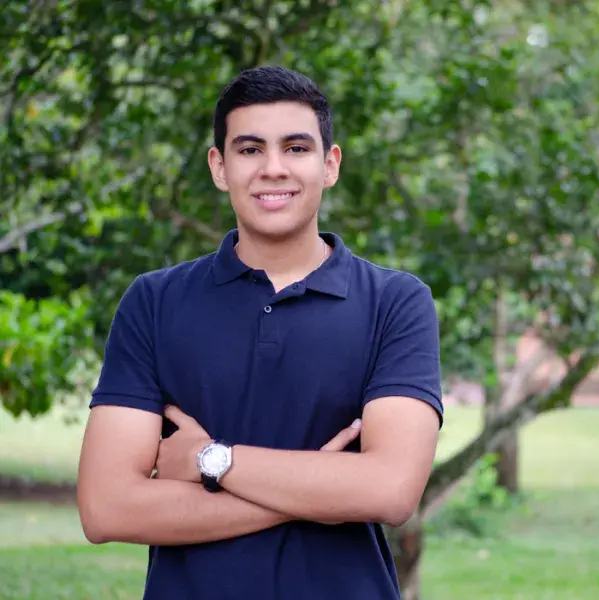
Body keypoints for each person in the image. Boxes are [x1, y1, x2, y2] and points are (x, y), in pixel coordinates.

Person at [76, 65, 443, 600]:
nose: (273, 168)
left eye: (296, 148)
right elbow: (106, 509)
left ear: (330, 164)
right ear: (219, 167)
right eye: (250, 150)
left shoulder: (396, 302)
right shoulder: (153, 302)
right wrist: (327, 489)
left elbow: (389, 492)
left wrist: (211, 460)